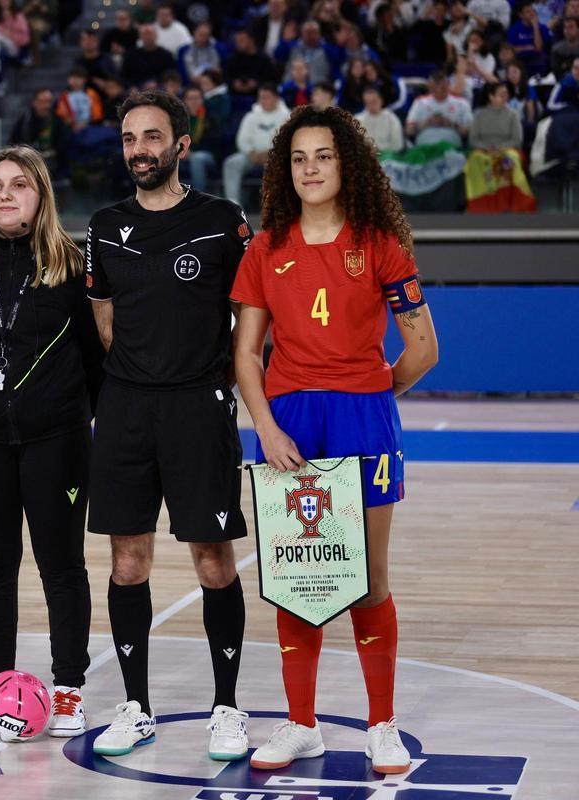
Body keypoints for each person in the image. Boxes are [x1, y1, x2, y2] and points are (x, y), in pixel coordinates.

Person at [231, 103, 439, 775]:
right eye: (298, 158)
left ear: (346, 165)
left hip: (362, 419)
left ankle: (382, 724)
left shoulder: (379, 244)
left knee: (370, 579)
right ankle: (301, 724)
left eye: (323, 155)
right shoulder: (266, 249)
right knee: (298, 578)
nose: (311, 168)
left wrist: (373, 396)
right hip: (289, 425)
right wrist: (266, 425)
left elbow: (423, 348)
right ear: (284, 171)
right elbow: (245, 356)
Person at [84, 89, 254, 761]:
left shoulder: (221, 220)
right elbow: (103, 319)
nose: (139, 150)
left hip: (199, 408)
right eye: (129, 139)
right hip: (125, 410)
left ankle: (227, 707)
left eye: (151, 137)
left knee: (212, 559)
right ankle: (136, 706)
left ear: (180, 145)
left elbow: (251, 321)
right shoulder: (104, 223)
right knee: (128, 561)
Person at [0, 145, 102, 739]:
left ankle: (67, 692)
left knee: (62, 567)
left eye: (20, 185)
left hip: (56, 438)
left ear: (42, 197)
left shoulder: (75, 269)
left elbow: (95, 358)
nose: (5, 195)